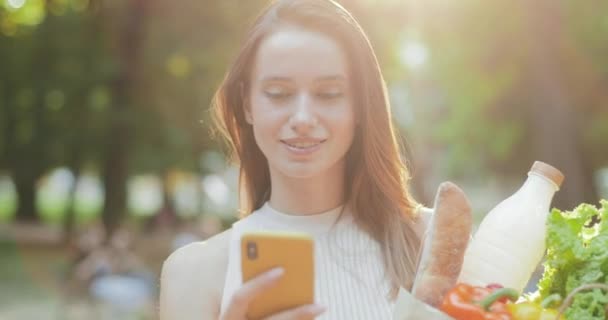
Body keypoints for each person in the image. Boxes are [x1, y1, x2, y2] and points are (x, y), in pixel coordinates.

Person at [160, 0, 432, 319]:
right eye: (278, 93)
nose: (303, 118)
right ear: (247, 104)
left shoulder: (429, 242)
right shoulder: (194, 274)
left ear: (360, 105)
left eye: (328, 94)